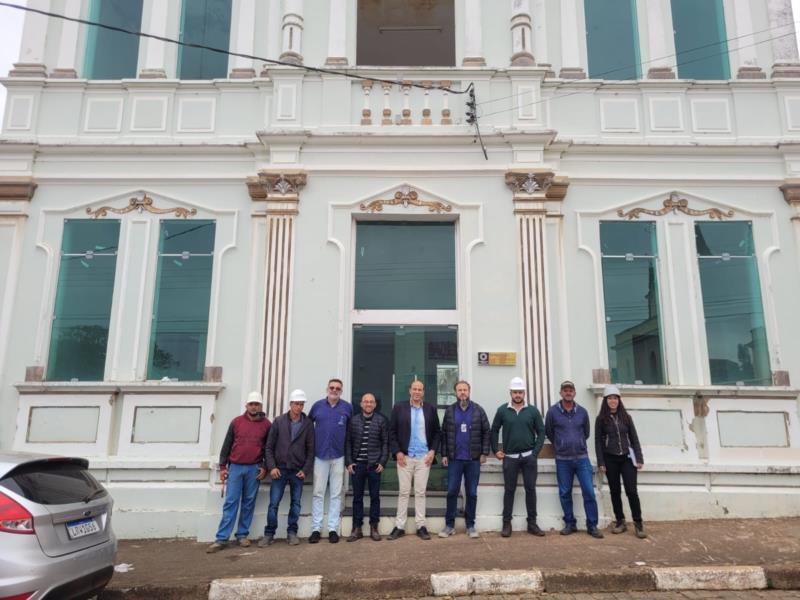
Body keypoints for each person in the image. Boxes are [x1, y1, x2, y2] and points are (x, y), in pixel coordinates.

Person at [207, 391, 271, 553]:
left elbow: (268, 449)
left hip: (254, 468)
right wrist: (223, 467)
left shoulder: (266, 425)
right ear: (246, 405)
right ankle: (221, 538)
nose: (254, 407)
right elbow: (226, 445)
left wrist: (265, 467)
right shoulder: (236, 422)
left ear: (261, 406)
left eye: (257, 404)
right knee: (231, 502)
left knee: (249, 503)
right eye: (251, 404)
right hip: (235, 467)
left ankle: (242, 535)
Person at [545, 380, 603, 539]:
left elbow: (586, 433)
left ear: (574, 393)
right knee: (565, 493)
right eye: (565, 390)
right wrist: (561, 444)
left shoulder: (582, 412)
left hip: (582, 459)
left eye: (571, 390)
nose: (568, 392)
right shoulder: (552, 412)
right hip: (562, 459)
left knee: (589, 492)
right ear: (561, 393)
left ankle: (592, 525)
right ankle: (570, 523)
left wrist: (576, 443)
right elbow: (549, 432)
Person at [490, 377, 546, 538]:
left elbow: (541, 432)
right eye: (515, 392)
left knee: (530, 489)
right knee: (509, 490)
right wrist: (496, 450)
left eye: (520, 392)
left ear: (524, 393)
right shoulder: (502, 410)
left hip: (529, 457)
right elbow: (494, 430)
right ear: (510, 393)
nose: (518, 395)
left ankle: (532, 523)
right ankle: (506, 524)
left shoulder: (533, 411)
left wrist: (535, 453)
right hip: (510, 457)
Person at [387, 380, 441, 541]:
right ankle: (399, 526)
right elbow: (392, 432)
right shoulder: (399, 407)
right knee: (404, 492)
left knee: (420, 492)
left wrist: (432, 451)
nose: (417, 392)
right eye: (414, 389)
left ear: (423, 392)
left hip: (424, 458)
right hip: (405, 457)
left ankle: (421, 526)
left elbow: (437, 432)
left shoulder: (430, 409)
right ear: (410, 391)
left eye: (420, 389)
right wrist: (397, 452)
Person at [260, 389, 314, 547]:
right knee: (274, 503)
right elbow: (268, 447)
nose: (299, 407)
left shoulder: (308, 424)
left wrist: (305, 469)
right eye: (296, 404)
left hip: (297, 471)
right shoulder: (278, 422)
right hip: (280, 470)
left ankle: (292, 533)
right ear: (290, 404)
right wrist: (272, 467)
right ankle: (269, 534)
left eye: (301, 404)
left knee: (296, 503)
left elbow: (311, 450)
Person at [439, 380, 490, 539]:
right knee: (452, 491)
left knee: (472, 493)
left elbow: (486, 432)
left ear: (469, 391)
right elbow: (444, 434)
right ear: (455, 392)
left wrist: (484, 453)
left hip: (473, 459)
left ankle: (470, 525)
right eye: (459, 390)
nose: (462, 392)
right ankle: (449, 525)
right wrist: (445, 454)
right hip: (455, 459)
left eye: (465, 390)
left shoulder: (478, 410)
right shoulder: (449, 411)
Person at [595, 384, 647, 539]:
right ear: (606, 401)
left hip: (627, 458)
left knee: (631, 491)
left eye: (615, 398)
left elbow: (634, 438)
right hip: (610, 459)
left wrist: (639, 457)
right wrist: (601, 462)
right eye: (610, 398)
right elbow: (598, 441)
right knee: (615, 491)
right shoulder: (601, 419)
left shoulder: (626, 417)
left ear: (619, 400)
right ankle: (620, 521)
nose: (613, 401)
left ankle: (638, 523)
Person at [308, 378, 352, 544]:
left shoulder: (347, 408)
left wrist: (348, 458)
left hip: (339, 456)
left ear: (341, 391)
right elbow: (308, 428)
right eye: (332, 387)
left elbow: (349, 434)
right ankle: (316, 529)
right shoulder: (317, 406)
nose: (334, 390)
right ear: (327, 389)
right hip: (320, 456)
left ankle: (333, 528)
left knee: (336, 494)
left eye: (338, 388)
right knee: (318, 493)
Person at [344, 392, 389, 542]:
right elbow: (348, 442)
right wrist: (349, 462)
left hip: (374, 466)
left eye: (371, 402)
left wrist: (382, 462)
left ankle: (374, 527)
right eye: (366, 401)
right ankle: (357, 528)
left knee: (375, 497)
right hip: (358, 466)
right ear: (361, 404)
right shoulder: (353, 420)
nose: (368, 404)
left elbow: (385, 443)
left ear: (375, 404)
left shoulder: (381, 420)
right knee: (357, 498)